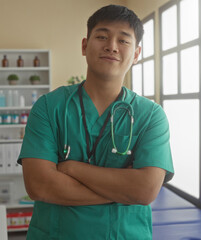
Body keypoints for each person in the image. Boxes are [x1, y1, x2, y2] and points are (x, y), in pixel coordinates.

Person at [18, 4, 174, 239]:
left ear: (136, 53)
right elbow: (39, 186)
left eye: (123, 40)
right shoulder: (49, 107)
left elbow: (145, 190)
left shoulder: (150, 115)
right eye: (102, 36)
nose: (111, 46)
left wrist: (72, 168)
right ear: (84, 45)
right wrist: (123, 190)